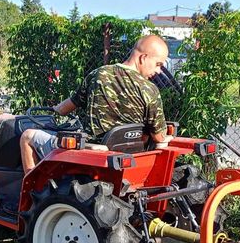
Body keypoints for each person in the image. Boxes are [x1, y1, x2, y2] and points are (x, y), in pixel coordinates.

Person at [20, 34, 170, 173]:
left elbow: (64, 109)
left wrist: (55, 108)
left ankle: (33, 192)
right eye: (158, 64)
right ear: (143, 58)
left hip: (93, 152)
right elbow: (158, 137)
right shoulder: (150, 90)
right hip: (131, 156)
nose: (158, 71)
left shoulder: (98, 75)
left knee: (27, 136)